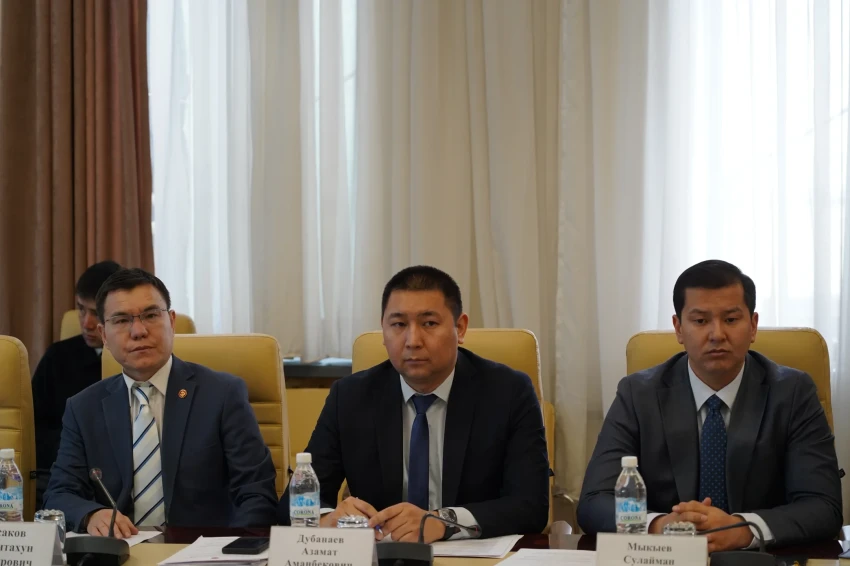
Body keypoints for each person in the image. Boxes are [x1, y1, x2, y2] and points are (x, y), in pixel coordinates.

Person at [577, 260, 842, 551]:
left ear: (753, 326)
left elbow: (823, 507)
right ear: (678, 328)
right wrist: (659, 525)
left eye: (731, 319)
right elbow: (594, 503)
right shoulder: (638, 394)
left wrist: (744, 529)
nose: (717, 334)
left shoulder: (792, 393)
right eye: (701, 321)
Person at [278, 265, 549, 542]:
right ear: (383, 330)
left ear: (460, 328)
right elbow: (293, 503)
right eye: (398, 325)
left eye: (429, 323)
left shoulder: (508, 392)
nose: (412, 341)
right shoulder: (350, 397)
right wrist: (327, 519)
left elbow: (531, 506)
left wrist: (444, 522)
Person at [44, 268, 278, 537]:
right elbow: (59, 494)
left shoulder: (222, 395)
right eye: (121, 320)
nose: (138, 331)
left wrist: (235, 549)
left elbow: (256, 492)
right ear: (104, 335)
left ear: (172, 321)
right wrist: (91, 514)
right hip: (120, 549)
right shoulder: (83, 408)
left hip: (202, 550)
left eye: (151, 315)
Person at [32, 260, 122, 507]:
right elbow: (33, 430)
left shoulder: (138, 358)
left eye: (96, 313)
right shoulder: (57, 357)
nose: (86, 323)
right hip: (68, 473)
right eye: (81, 309)